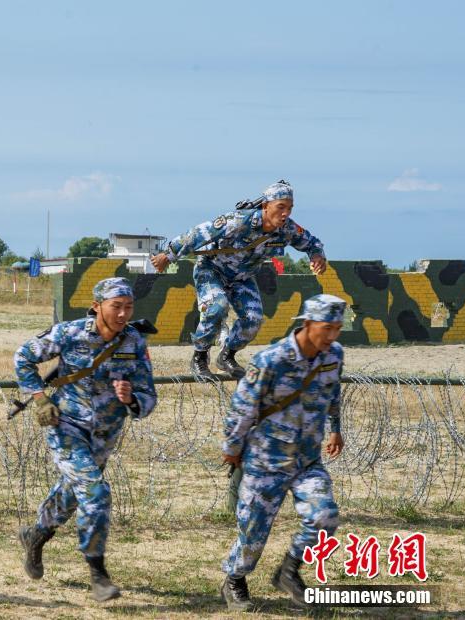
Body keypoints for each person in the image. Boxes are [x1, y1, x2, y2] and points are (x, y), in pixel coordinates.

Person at [14, 277, 157, 602]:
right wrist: (39, 398)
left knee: (74, 491)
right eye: (115, 306)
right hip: (66, 425)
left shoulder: (134, 341)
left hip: (105, 433)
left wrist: (131, 398)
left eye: (128, 307)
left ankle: (36, 535)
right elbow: (23, 356)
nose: (122, 314)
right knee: (94, 490)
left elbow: (149, 395)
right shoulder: (70, 333)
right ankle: (98, 573)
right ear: (97, 307)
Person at [219, 294, 346, 611]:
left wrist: (336, 428)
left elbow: (333, 393)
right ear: (307, 324)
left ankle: (288, 572)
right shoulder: (270, 361)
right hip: (265, 462)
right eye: (326, 328)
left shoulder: (334, 356)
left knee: (324, 517)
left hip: (306, 460)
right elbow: (242, 409)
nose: (332, 336)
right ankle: (234, 580)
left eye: (337, 329)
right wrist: (233, 449)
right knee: (252, 535)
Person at [151, 180, 327, 380]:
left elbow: (311, 242)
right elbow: (198, 234)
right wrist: (168, 255)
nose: (286, 213)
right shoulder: (239, 221)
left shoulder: (287, 229)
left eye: (290, 208)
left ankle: (227, 355)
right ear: (265, 206)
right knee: (217, 307)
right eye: (281, 207)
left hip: (242, 278)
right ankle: (200, 356)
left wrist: (317, 256)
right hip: (212, 270)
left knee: (253, 320)